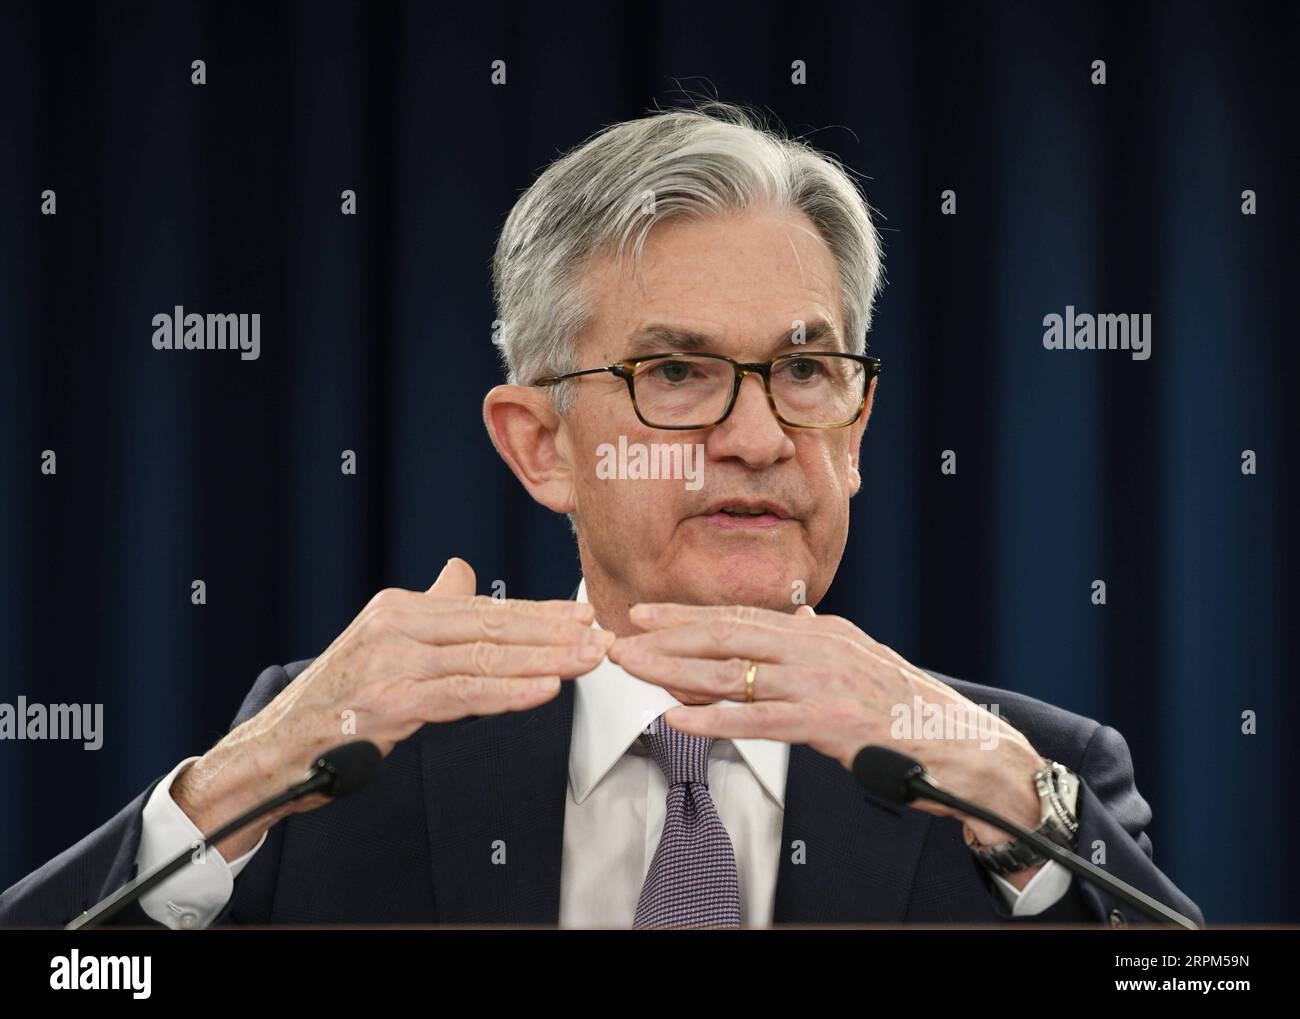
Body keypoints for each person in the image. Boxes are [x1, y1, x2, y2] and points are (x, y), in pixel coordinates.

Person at [0, 103, 1202, 929]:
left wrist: (1010, 802)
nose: (755, 434)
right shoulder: (342, 756)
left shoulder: (1031, 766)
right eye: (675, 374)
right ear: (539, 446)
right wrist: (218, 797)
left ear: (857, 427)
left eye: (804, 370)